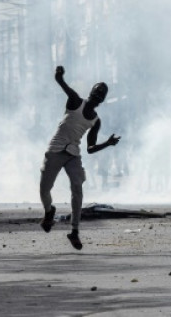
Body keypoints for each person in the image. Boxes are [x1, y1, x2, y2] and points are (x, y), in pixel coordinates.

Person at [39, 66, 121, 250]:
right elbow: (61, 83)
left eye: (102, 94)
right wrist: (59, 76)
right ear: (91, 91)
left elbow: (90, 148)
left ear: (103, 100)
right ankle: (49, 211)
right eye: (98, 91)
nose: (99, 95)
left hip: (73, 155)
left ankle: (74, 231)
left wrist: (107, 143)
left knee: (77, 188)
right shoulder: (76, 101)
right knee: (45, 189)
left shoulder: (95, 121)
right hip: (55, 150)